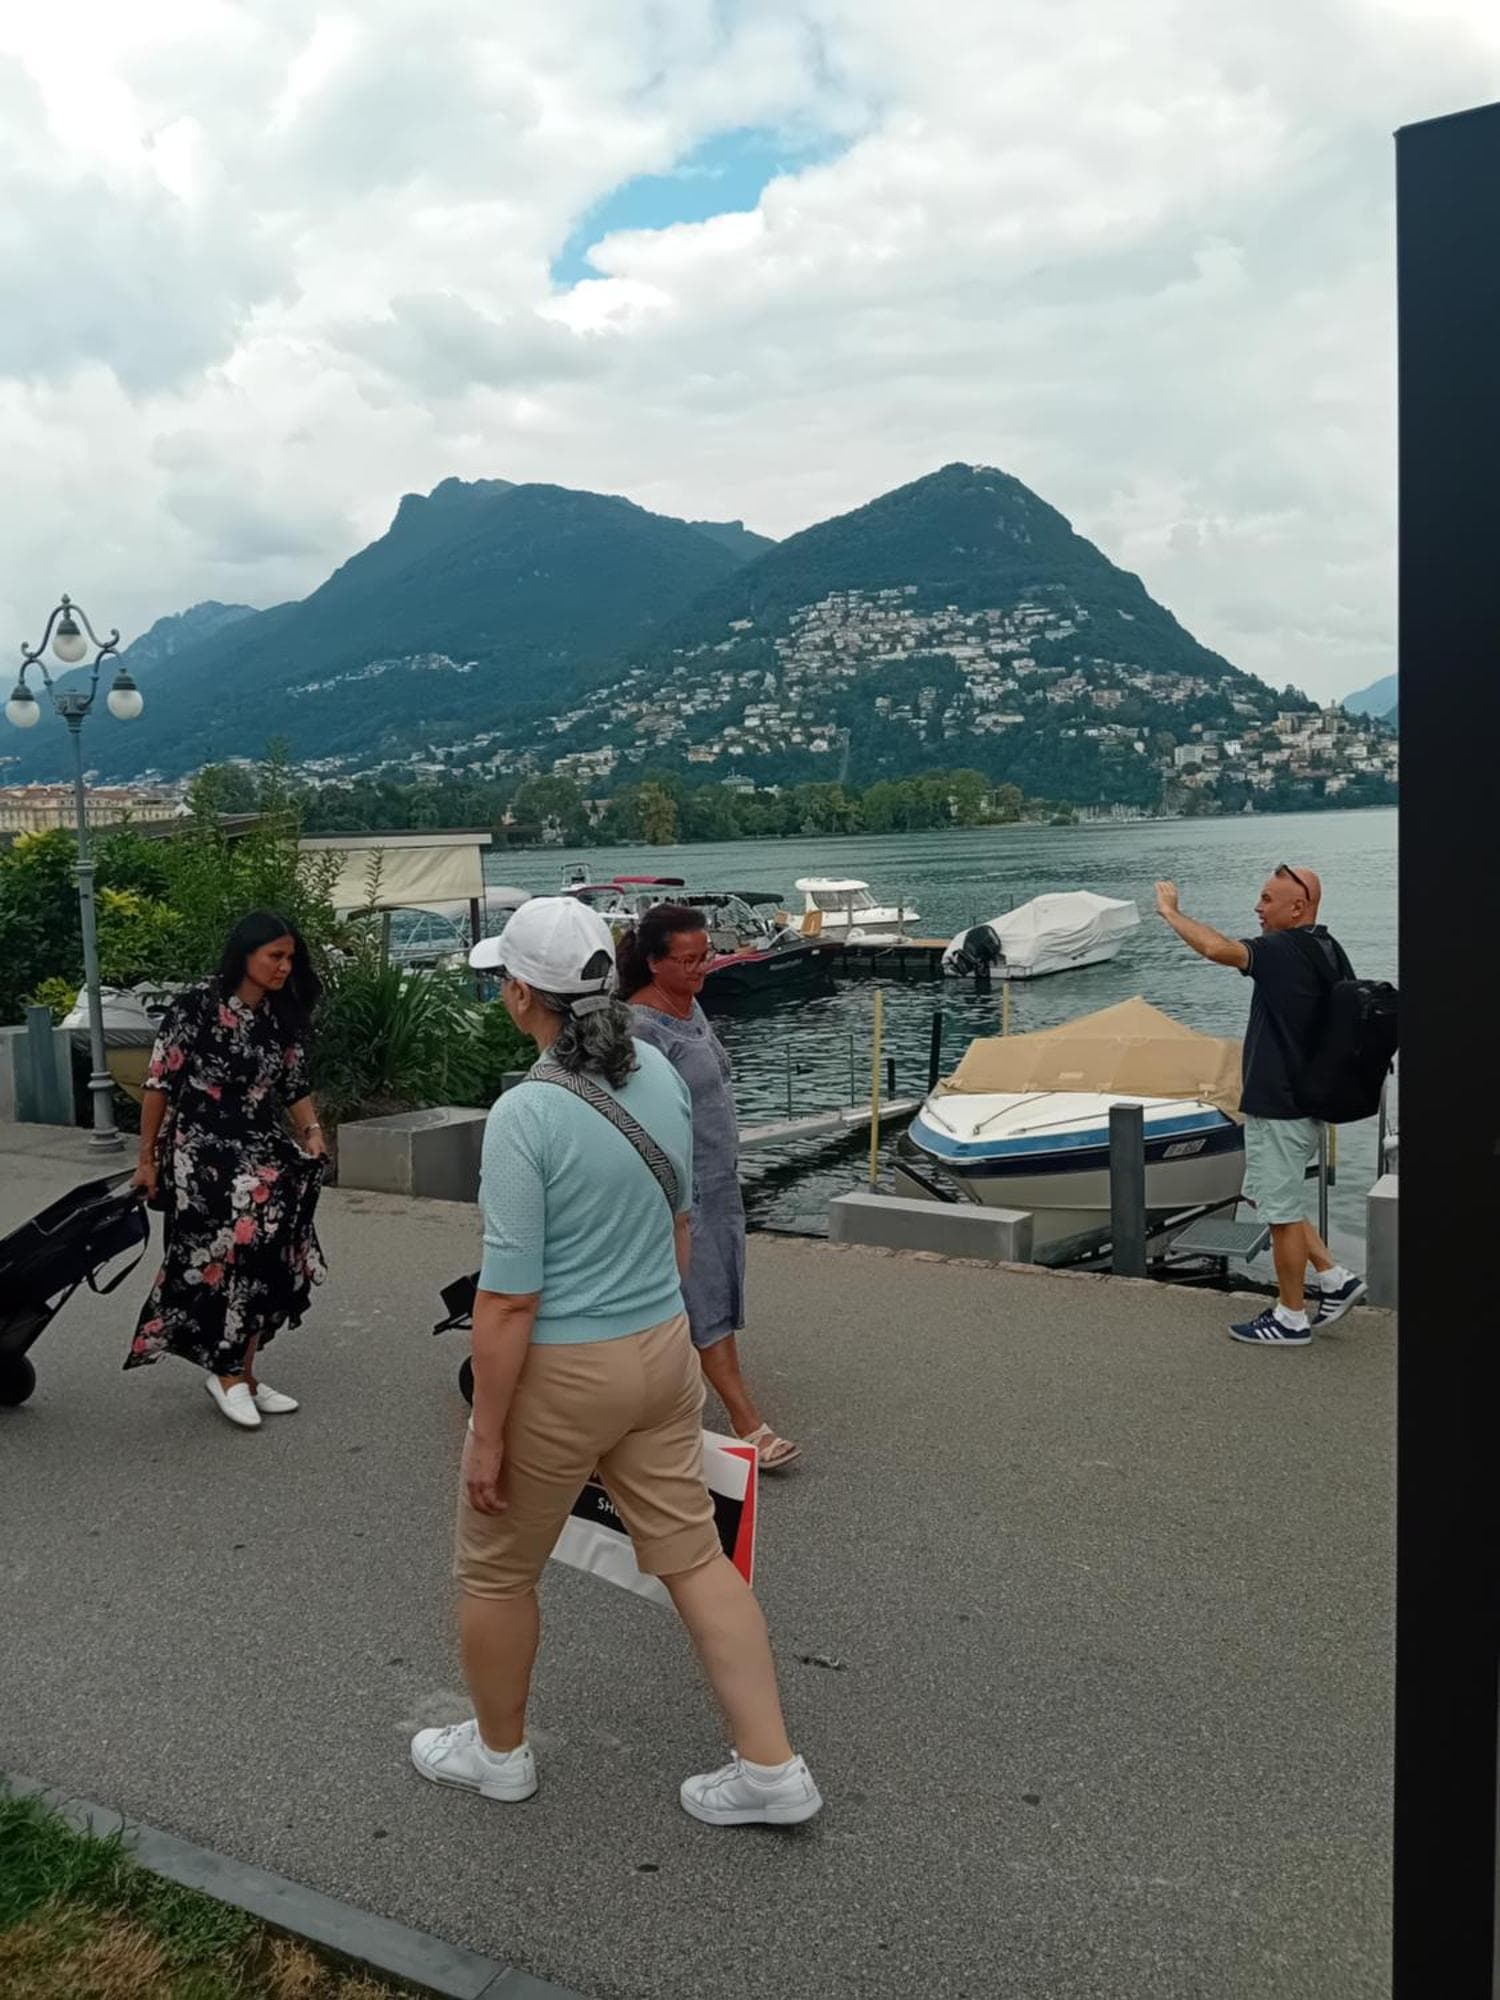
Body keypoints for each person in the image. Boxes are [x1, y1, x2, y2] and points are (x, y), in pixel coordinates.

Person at [410, 897, 821, 1827]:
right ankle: (771, 1768)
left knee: (497, 1572)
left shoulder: (527, 1113)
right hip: (661, 1352)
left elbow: (507, 1300)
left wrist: (487, 1432)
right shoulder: (661, 1076)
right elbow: (679, 1227)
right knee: (695, 1558)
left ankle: (498, 1755)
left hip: (564, 1369)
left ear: (522, 994)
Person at [126, 911, 328, 1425]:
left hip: (258, 1141)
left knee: (274, 1242)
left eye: (290, 958)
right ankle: (228, 1372)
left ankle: (243, 1372)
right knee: (241, 1239)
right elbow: (159, 1083)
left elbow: (293, 1085)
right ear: (246, 954)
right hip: (202, 1147)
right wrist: (147, 1160)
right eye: (275, 956)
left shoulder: (280, 1014)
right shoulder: (196, 1006)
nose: (285, 967)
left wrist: (312, 1132)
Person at [617, 903, 800, 1471]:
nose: (701, 967)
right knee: (704, 1299)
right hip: (681, 1189)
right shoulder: (640, 1028)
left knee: (698, 1296)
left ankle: (646, 1405)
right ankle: (748, 1423)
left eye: (706, 955)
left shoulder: (689, 1006)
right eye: (689, 960)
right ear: (654, 963)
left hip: (718, 1179)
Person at [1155, 866, 1366, 1345]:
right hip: (1305, 1102)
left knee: (1281, 1216)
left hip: (1280, 1107)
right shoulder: (1328, 948)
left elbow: (1217, 949)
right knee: (1272, 1198)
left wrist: (1171, 912)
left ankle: (1290, 1317)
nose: (1258, 907)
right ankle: (1334, 1277)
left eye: (1268, 899)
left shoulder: (1281, 949)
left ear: (1298, 907)